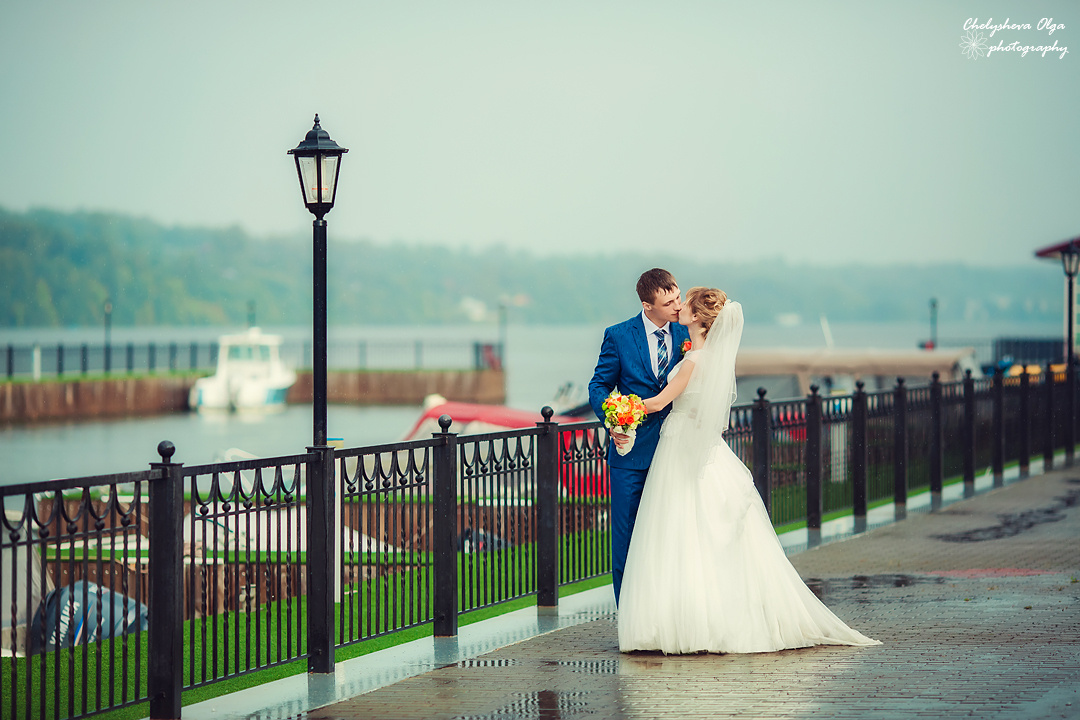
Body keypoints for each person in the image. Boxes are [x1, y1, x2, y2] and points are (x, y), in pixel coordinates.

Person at [618, 287, 880, 654]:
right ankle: (705, 620)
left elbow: (661, 401)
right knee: (699, 533)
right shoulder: (708, 357)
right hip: (698, 447)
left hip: (680, 449)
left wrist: (622, 410)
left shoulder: (695, 361)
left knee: (679, 530)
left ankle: (683, 623)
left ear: (697, 317)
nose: (679, 307)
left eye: (685, 304)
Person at [588, 268, 692, 605]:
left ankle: (668, 613)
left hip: (676, 451)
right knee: (627, 539)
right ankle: (630, 620)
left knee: (673, 536)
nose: (677, 306)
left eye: (678, 297)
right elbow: (599, 385)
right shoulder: (618, 336)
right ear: (648, 305)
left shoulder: (688, 331)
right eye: (668, 302)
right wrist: (615, 420)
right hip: (630, 456)